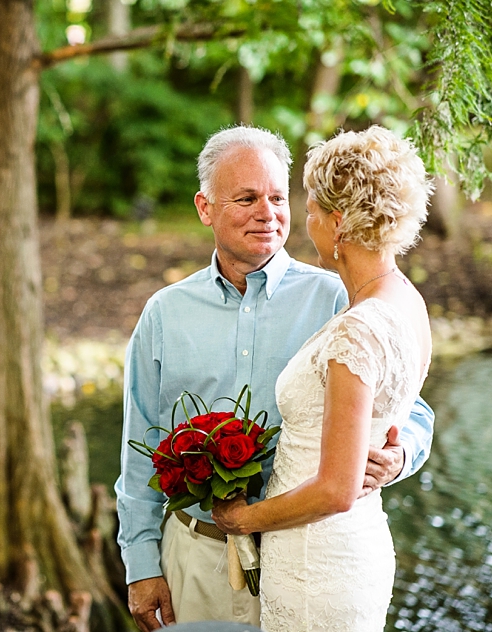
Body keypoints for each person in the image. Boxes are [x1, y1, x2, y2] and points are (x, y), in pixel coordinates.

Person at [115, 125, 434, 631]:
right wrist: (141, 566)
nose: (268, 212)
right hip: (195, 557)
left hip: (303, 554)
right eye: (246, 198)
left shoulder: (341, 301)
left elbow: (410, 407)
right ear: (205, 208)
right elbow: (140, 443)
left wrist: (399, 456)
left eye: (279, 197)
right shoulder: (163, 314)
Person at [211, 126, 433, 630]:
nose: (302, 222)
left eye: (308, 211)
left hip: (317, 560)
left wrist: (243, 520)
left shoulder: (357, 329)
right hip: (354, 546)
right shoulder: (407, 303)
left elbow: (336, 488)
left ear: (337, 223)